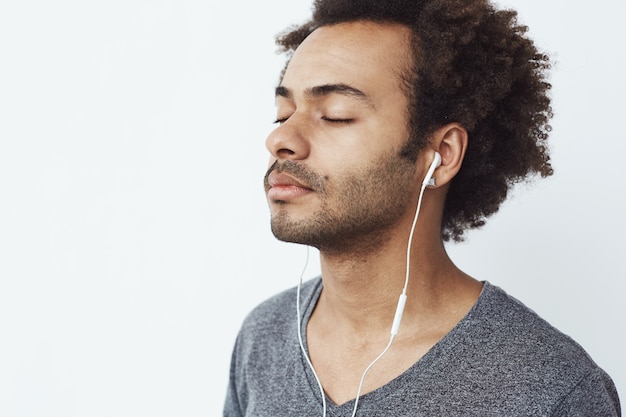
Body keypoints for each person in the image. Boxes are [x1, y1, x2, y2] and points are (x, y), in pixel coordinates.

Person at [223, 0, 621, 415]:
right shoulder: (263, 337)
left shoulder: (550, 389)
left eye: (336, 115)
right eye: (283, 113)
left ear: (441, 155)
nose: (281, 140)